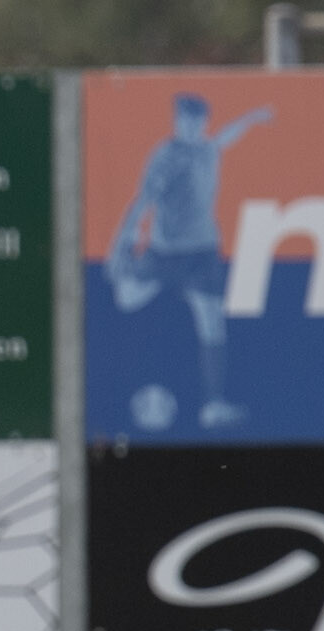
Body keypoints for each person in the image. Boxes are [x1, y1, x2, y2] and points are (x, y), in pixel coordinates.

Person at [109, 93, 272, 430]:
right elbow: (143, 201)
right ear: (176, 122)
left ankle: (213, 405)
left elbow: (225, 137)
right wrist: (119, 244)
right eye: (183, 120)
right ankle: (132, 269)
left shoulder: (207, 149)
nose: (189, 126)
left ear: (203, 123)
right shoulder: (166, 156)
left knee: (212, 322)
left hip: (202, 253)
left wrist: (252, 118)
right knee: (125, 298)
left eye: (195, 121)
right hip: (165, 253)